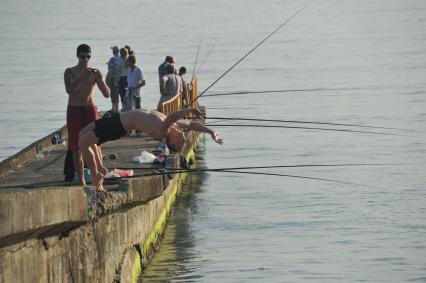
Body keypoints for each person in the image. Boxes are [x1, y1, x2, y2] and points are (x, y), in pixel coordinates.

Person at [78, 108, 223, 192]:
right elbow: (192, 124)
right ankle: (101, 168)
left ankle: (96, 174)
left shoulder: (163, 130)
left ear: (170, 141)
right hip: (117, 118)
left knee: (83, 144)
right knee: (82, 135)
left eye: (179, 144)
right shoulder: (175, 126)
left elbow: (172, 116)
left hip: (119, 126)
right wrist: (211, 132)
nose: (183, 140)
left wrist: (190, 109)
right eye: (182, 142)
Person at [64, 44, 110, 186]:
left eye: (88, 56)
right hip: (75, 109)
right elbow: (70, 90)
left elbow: (107, 94)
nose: (85, 59)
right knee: (75, 146)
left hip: (89, 109)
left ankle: (98, 172)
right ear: (77, 56)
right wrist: (83, 76)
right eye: (83, 56)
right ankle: (82, 180)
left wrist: (100, 79)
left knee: (95, 142)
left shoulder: (94, 73)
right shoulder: (70, 72)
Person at [106, 46, 120, 112]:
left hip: (113, 78)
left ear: (114, 51)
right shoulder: (121, 58)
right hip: (120, 77)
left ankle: (114, 108)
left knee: (113, 93)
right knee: (117, 93)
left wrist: (108, 79)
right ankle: (116, 108)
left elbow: (110, 69)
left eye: (113, 50)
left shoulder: (112, 59)